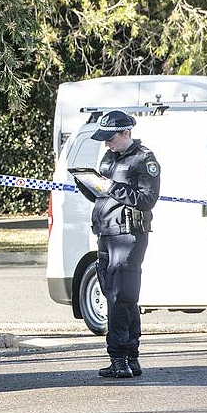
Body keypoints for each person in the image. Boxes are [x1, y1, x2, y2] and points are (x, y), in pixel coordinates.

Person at [75, 110, 160, 379]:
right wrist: (87, 184)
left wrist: (110, 187)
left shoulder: (144, 160)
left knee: (121, 297)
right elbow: (102, 196)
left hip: (129, 234)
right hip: (106, 232)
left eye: (110, 138)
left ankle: (119, 358)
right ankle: (130, 358)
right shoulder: (109, 157)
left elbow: (147, 199)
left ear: (126, 133)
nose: (107, 144)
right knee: (118, 295)